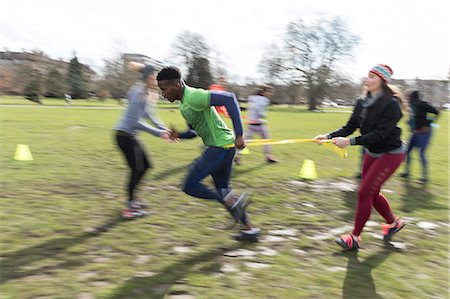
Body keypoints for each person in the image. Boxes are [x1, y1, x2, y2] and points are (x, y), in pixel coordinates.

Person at [156, 66, 260, 241]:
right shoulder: (184, 105)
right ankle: (249, 229)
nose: (163, 94)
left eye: (164, 89)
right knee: (223, 190)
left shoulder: (194, 96)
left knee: (189, 185)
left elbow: (230, 99)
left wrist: (240, 135)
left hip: (220, 148)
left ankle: (234, 203)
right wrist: (179, 135)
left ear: (177, 85)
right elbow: (195, 132)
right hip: (222, 148)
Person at [314, 64, 407, 250]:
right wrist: (329, 136)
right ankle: (394, 223)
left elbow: (380, 135)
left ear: (382, 81)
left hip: (391, 153)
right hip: (373, 152)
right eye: (367, 76)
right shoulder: (361, 102)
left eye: (373, 77)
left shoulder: (391, 104)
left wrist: (349, 142)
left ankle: (354, 238)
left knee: (365, 192)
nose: (367, 79)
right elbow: (349, 126)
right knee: (370, 192)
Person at [114, 63, 170, 219]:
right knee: (137, 169)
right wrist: (158, 133)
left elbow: (150, 115)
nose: (156, 78)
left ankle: (133, 201)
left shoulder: (146, 92)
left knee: (145, 166)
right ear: (146, 77)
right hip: (124, 135)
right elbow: (134, 122)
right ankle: (130, 207)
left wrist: (165, 130)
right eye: (153, 75)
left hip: (130, 135)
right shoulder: (138, 91)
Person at [400, 90, 439, 184]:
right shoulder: (412, 106)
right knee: (407, 151)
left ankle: (424, 177)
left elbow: (436, 112)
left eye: (409, 97)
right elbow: (413, 118)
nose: (408, 99)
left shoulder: (422, 104)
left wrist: (428, 123)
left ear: (413, 97)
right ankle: (407, 172)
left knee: (421, 153)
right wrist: (410, 123)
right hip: (415, 132)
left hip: (425, 132)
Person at [236, 85, 277, 165]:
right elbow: (259, 110)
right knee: (267, 140)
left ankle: (237, 156)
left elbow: (252, 108)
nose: (270, 94)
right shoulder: (264, 100)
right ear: (264, 92)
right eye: (269, 92)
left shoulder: (252, 98)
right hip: (259, 124)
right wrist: (262, 114)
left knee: (244, 142)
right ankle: (268, 157)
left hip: (251, 124)